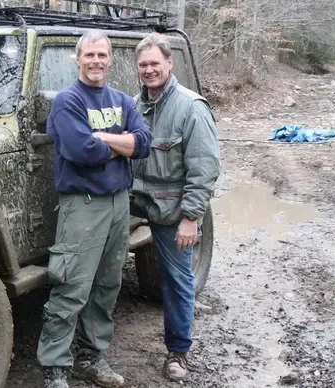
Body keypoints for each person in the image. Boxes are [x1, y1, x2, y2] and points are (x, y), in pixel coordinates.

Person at [38, 30, 152, 388]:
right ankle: (55, 368)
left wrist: (102, 138)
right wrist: (122, 144)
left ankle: (92, 357)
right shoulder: (67, 101)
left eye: (102, 55)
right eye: (90, 55)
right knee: (71, 286)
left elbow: (145, 142)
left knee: (107, 284)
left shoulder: (122, 100)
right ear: (78, 58)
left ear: (110, 58)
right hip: (83, 205)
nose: (97, 61)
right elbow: (81, 151)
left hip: (120, 203)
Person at [129, 33, 220, 382]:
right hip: (135, 202)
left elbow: (204, 168)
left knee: (178, 280)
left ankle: (178, 352)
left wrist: (191, 218)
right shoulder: (135, 105)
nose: (149, 70)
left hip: (172, 211)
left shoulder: (191, 107)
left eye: (155, 63)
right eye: (143, 65)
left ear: (170, 63)